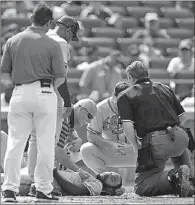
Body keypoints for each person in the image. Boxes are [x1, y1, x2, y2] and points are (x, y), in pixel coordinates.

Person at [1, 3, 66, 202]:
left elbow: (4, 74)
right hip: (45, 91)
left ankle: (9, 190)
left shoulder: (13, 40)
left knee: (15, 143)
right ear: (48, 22)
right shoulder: (52, 43)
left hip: (19, 93)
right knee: (45, 144)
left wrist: (19, 87)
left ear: (32, 19)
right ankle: (43, 189)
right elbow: (60, 78)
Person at [117, 61, 194, 197]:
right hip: (181, 137)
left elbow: (127, 126)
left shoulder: (125, 95)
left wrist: (136, 146)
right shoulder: (164, 87)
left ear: (129, 77)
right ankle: (189, 180)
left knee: (141, 186)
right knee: (188, 177)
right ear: (147, 74)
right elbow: (183, 117)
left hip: (156, 141)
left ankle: (175, 176)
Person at [0, 131, 124, 197]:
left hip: (39, 179)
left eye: (113, 179)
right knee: (2, 137)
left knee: (6, 178)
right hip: (38, 170)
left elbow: (76, 190)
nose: (110, 174)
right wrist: (59, 158)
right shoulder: (91, 177)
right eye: (112, 173)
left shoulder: (98, 186)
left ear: (109, 189)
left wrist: (54, 171)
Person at [27, 99, 97, 195]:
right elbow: (57, 150)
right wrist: (77, 169)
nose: (89, 121)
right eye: (89, 116)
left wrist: (76, 140)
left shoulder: (68, 121)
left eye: (92, 119)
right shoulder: (65, 117)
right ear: (81, 109)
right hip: (32, 167)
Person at [80, 82, 137, 175]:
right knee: (86, 150)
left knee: (157, 147)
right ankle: (108, 181)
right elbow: (91, 135)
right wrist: (109, 145)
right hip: (111, 152)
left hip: (134, 152)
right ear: (114, 98)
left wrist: (134, 146)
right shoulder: (101, 108)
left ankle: (148, 182)